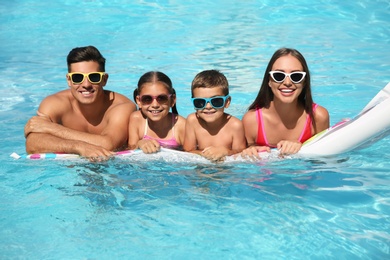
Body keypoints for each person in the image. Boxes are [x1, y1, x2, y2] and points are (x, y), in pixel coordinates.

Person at [24, 46, 136, 161]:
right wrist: (78, 147)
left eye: (94, 77)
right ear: (69, 80)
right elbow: (32, 145)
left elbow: (108, 144)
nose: (86, 84)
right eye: (78, 77)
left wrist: (52, 128)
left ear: (104, 79)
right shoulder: (54, 104)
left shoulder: (122, 106)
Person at [241, 47, 330, 157]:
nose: (287, 82)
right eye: (279, 76)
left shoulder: (318, 117)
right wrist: (250, 151)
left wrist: (301, 146)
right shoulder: (252, 120)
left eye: (296, 76)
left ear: (304, 82)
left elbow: (324, 160)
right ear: (269, 81)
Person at [183, 69, 247, 162]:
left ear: (227, 102)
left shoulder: (235, 125)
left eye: (216, 101)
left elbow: (241, 153)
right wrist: (208, 154)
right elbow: (187, 151)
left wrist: (226, 151)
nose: (208, 106)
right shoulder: (192, 121)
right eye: (200, 102)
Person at [128, 71, 186, 153]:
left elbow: (191, 154)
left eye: (161, 98)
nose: (155, 105)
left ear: (172, 100)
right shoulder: (136, 119)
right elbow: (131, 149)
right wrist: (139, 143)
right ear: (139, 101)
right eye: (147, 99)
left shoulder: (181, 126)